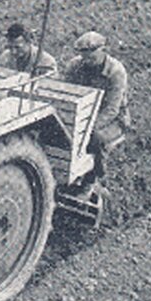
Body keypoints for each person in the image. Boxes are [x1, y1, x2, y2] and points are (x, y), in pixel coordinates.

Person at [63, 31, 130, 197]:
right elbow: (66, 92)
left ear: (103, 51)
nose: (87, 61)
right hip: (81, 114)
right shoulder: (75, 66)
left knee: (95, 138)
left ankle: (93, 179)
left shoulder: (115, 72)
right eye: (84, 57)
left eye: (91, 57)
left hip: (111, 120)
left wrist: (87, 127)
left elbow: (112, 109)